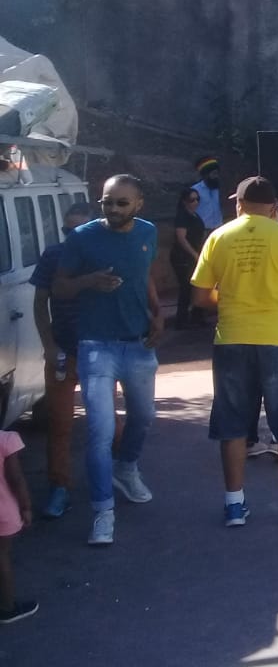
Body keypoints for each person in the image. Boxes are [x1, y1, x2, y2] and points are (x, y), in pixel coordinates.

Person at [191, 177, 278, 528]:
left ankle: (234, 505)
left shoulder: (218, 237)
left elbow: (201, 297)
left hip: (232, 338)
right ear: (273, 206)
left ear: (239, 204)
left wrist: (230, 301)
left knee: (232, 423)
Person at [54, 175, 163, 547]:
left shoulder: (148, 232)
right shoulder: (82, 237)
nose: (113, 209)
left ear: (139, 204)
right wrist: (89, 281)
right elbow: (59, 287)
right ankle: (103, 512)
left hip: (138, 344)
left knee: (144, 417)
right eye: (106, 202)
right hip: (95, 345)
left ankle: (127, 468)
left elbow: (144, 276)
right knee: (100, 432)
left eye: (121, 203)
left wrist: (158, 314)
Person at [29, 202, 93, 519]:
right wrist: (49, 345)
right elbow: (40, 303)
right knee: (60, 425)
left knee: (107, 425)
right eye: (68, 229)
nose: (72, 235)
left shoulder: (103, 255)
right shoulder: (53, 255)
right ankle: (59, 488)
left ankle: (115, 476)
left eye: (79, 229)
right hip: (64, 352)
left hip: (98, 353)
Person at [0, 429, 36, 623]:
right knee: (2, 556)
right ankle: (7, 607)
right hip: (3, 512)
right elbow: (16, 479)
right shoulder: (6, 440)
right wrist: (26, 507)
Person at [170, 187, 206, 330]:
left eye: (197, 199)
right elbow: (181, 238)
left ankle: (197, 316)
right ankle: (181, 321)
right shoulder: (182, 216)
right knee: (186, 288)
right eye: (192, 199)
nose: (195, 202)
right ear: (185, 201)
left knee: (199, 285)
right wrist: (194, 254)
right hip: (182, 258)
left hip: (195, 255)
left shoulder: (195, 216)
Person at [191, 157, 224, 231]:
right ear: (205, 175)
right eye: (214, 174)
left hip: (219, 229)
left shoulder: (219, 188)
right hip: (202, 230)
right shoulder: (195, 190)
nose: (216, 176)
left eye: (217, 173)